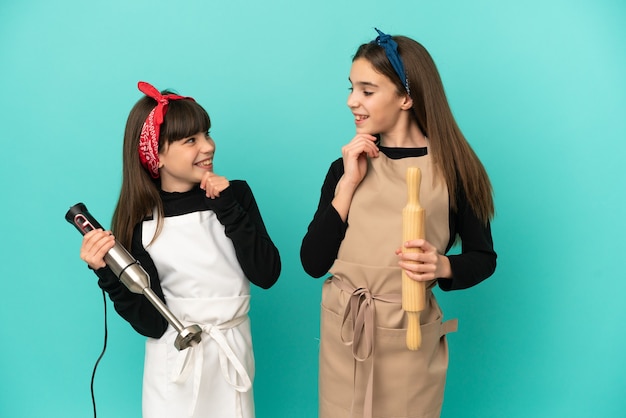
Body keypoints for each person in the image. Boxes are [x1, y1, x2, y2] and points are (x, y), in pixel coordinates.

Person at [300, 28, 496, 418]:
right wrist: (348, 185)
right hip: (347, 331)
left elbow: (483, 257)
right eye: (352, 88)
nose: (352, 101)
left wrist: (442, 266)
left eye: (367, 91)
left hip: (410, 335)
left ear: (406, 97)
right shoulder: (344, 167)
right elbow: (313, 262)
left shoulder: (455, 171)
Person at [79, 81, 281, 418]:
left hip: (231, 352)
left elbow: (266, 273)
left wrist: (228, 207)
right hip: (175, 363)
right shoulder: (140, 222)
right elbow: (152, 324)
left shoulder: (236, 196)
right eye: (191, 140)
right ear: (156, 154)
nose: (208, 146)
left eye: (207, 134)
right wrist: (107, 272)